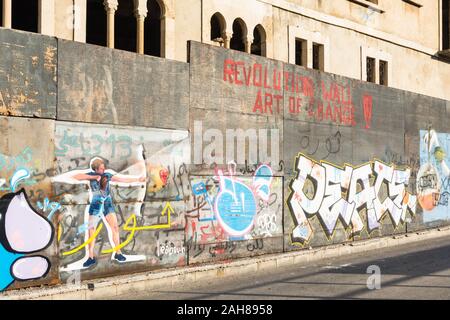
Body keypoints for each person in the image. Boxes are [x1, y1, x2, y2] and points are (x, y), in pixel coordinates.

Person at [73, 158, 145, 268]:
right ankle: (90, 257)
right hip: (96, 203)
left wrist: (138, 179)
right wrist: (94, 177)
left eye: (103, 167)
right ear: (96, 169)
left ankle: (118, 253)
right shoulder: (91, 175)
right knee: (91, 231)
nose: (103, 169)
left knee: (115, 227)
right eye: (101, 168)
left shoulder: (107, 175)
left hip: (107, 202)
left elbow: (121, 179)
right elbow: (76, 177)